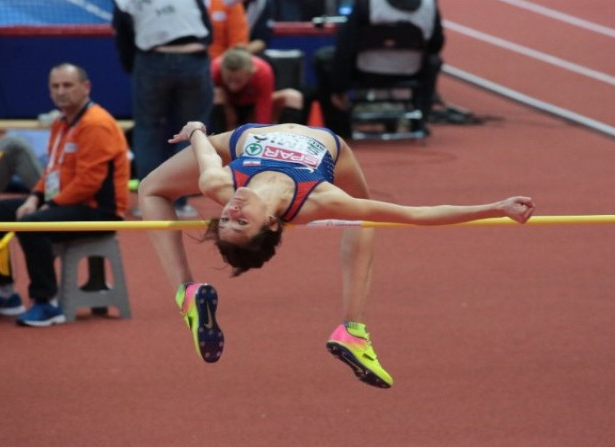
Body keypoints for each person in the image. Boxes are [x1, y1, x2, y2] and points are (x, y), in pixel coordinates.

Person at [137, 121, 535, 388]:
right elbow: (416, 215)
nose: (232, 211)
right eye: (240, 223)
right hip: (331, 150)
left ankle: (187, 294)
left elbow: (203, 145)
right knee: (365, 213)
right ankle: (354, 331)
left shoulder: (217, 183)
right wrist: (494, 207)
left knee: (151, 188)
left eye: (225, 219)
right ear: (273, 223)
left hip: (244, 138)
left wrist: (197, 130)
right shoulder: (322, 200)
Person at [0, 63, 130, 327]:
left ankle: (46, 303)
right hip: (65, 202)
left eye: (67, 85)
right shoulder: (61, 123)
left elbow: (89, 183)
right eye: (55, 86)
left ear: (86, 88)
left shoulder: (97, 124)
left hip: (98, 209)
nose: (61, 92)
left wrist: (45, 206)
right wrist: (34, 198)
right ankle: (4, 293)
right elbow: (52, 170)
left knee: (32, 224)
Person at [112, 0, 214, 218]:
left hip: (152, 59)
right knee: (192, 130)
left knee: (147, 130)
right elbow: (207, 27)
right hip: (194, 58)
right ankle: (180, 203)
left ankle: (151, 203)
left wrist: (137, 66)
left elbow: (123, 35)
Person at [313, 0, 444, 138]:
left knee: (324, 58)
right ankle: (420, 119)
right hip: (410, 72)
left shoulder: (367, 4)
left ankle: (339, 127)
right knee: (433, 62)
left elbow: (346, 46)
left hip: (366, 72)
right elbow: (436, 43)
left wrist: (339, 88)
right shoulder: (430, 5)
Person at [210, 48, 304, 132]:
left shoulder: (263, 71)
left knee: (293, 97)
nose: (233, 86)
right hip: (228, 107)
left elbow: (264, 106)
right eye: (229, 80)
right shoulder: (214, 69)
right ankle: (217, 138)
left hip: (253, 107)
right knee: (215, 94)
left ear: (250, 74)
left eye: (238, 81)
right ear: (221, 71)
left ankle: (287, 137)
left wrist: (262, 132)